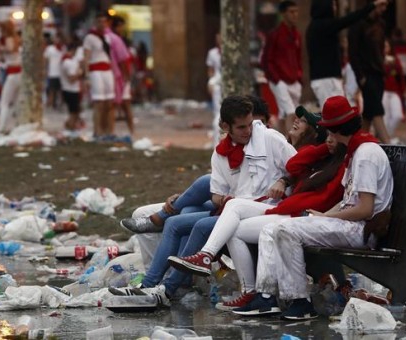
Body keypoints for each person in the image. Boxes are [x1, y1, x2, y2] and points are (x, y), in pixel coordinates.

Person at [168, 108, 346, 310]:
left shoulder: (336, 163)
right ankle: (247, 289)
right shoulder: (314, 156)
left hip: (300, 215)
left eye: (305, 122)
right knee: (230, 220)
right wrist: (317, 152)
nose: (296, 122)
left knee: (215, 214)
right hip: (286, 211)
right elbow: (295, 165)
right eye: (328, 135)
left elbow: (322, 198)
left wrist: (325, 146)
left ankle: (200, 264)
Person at [234, 95, 391, 320]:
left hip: (361, 230)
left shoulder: (365, 154)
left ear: (335, 129)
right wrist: (324, 216)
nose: (326, 135)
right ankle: (271, 296)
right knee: (272, 229)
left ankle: (300, 301)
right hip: (349, 223)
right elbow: (349, 199)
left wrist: (331, 217)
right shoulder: (356, 150)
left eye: (328, 129)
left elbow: (365, 210)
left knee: (285, 230)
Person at [120, 95, 297, 292]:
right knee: (173, 223)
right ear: (224, 126)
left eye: (249, 125)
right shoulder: (221, 153)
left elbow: (300, 166)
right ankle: (149, 285)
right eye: (241, 127)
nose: (248, 131)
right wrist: (223, 199)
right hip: (231, 211)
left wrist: (283, 180)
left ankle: (168, 291)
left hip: (267, 209)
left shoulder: (269, 138)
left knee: (201, 224)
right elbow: (215, 194)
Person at [306, 0, 388, 107]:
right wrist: (372, 6)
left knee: (338, 116)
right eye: (333, 5)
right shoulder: (322, 26)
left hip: (328, 79)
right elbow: (349, 19)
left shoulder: (315, 27)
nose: (335, 8)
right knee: (333, 117)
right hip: (326, 80)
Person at [348, 0, 390, 143]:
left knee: (369, 114)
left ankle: (357, 145)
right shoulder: (358, 24)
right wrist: (361, 77)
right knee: (377, 110)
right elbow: (352, 53)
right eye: (382, 5)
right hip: (366, 74)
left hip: (378, 73)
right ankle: (389, 145)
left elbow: (381, 49)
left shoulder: (381, 23)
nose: (384, 8)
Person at [261, 1, 302, 135]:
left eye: (296, 11)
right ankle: (293, 147)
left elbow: (298, 57)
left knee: (286, 115)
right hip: (279, 80)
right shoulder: (275, 35)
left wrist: (299, 76)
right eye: (291, 12)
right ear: (283, 14)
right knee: (291, 112)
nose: (295, 15)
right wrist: (276, 79)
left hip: (294, 80)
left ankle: (276, 140)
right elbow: (266, 60)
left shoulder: (296, 35)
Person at [83, 11, 115, 140]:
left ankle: (109, 130)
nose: (102, 24)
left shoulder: (107, 37)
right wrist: (86, 76)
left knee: (109, 102)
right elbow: (86, 58)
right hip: (96, 71)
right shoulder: (90, 38)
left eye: (104, 21)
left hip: (107, 70)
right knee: (99, 102)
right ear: (95, 23)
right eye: (99, 21)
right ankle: (98, 130)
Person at [108, 15, 135, 136]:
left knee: (125, 104)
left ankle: (132, 131)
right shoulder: (114, 39)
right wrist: (126, 75)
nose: (122, 29)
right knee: (114, 106)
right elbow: (122, 60)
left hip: (119, 75)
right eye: (120, 26)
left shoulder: (120, 39)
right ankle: (111, 131)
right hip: (117, 75)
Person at [0, 20, 21, 134]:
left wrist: (0, 48)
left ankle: (2, 127)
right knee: (15, 102)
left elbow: (10, 49)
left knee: (4, 102)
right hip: (18, 73)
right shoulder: (16, 39)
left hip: (12, 72)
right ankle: (14, 125)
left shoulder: (8, 39)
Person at [382, 39, 406, 138]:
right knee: (385, 118)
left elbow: (400, 76)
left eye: (387, 46)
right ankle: (386, 140)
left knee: (398, 115)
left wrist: (394, 65)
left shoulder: (395, 59)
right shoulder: (378, 59)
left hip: (394, 92)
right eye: (384, 46)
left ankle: (386, 138)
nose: (386, 49)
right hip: (383, 91)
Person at [60, 42, 84, 130]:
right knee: (73, 113)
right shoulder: (68, 62)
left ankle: (71, 127)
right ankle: (69, 128)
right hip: (71, 90)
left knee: (75, 112)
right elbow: (71, 79)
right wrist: (80, 73)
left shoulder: (67, 60)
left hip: (70, 89)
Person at [206, 32, 222, 146]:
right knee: (218, 113)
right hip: (217, 84)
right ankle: (217, 142)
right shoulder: (212, 53)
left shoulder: (232, 51)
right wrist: (211, 82)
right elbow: (211, 70)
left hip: (229, 82)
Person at [44, 33, 64, 110]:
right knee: (52, 89)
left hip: (61, 73)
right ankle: (50, 103)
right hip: (52, 72)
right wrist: (45, 70)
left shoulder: (63, 48)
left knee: (61, 90)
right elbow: (46, 60)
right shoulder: (50, 49)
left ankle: (60, 104)